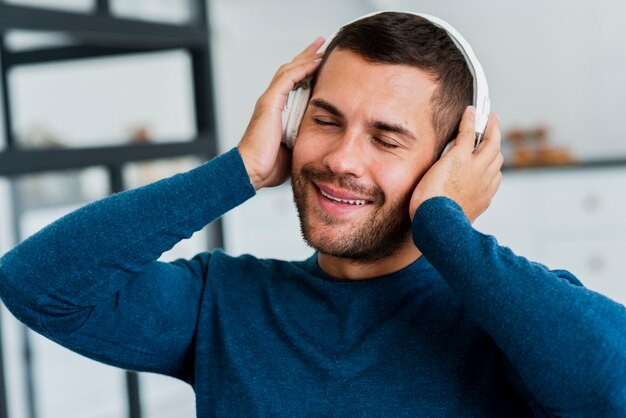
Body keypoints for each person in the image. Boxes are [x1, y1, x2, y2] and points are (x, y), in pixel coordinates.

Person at [0, 11, 625, 417]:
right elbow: (37, 285)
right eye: (325, 121)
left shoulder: (508, 315)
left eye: (386, 138)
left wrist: (442, 221)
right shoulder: (223, 302)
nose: (342, 159)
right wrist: (238, 170)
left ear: (449, 160)